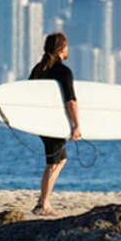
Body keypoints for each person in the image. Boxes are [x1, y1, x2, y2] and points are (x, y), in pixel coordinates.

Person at [28, 32, 80, 215]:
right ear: (61, 49)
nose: (67, 50)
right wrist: (76, 126)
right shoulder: (63, 71)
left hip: (41, 121)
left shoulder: (39, 69)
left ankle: (43, 202)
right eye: (66, 46)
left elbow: (28, 94)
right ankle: (43, 205)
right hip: (54, 122)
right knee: (53, 162)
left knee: (60, 159)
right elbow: (71, 101)